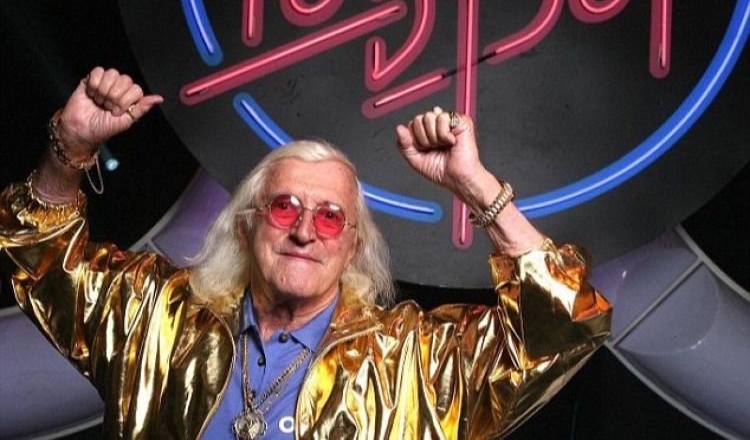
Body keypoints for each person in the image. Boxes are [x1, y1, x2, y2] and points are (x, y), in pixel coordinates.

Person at [1, 67, 611, 439]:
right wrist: (69, 147)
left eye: (330, 217)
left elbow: (564, 324)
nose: (305, 231)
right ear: (247, 227)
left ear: (352, 248)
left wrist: (476, 188)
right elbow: (42, 260)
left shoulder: (413, 364)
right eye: (285, 207)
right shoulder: (154, 318)